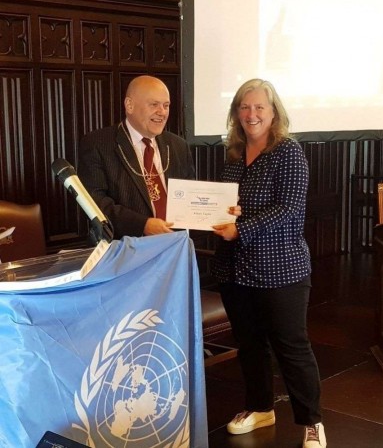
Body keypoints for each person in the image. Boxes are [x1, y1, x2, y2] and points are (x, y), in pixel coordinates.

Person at [212, 79, 326, 448]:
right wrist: (228, 214)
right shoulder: (233, 154)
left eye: (259, 107)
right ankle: (260, 408)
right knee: (249, 344)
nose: (252, 114)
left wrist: (240, 227)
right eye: (245, 107)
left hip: (281, 269)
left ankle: (312, 423)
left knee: (291, 346)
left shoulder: (288, 152)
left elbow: (289, 208)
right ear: (236, 113)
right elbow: (235, 203)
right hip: (235, 269)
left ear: (274, 112)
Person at [77, 75, 195, 239]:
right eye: (154, 104)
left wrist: (220, 209)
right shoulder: (98, 144)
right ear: (129, 105)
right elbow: (95, 201)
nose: (162, 112)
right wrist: (143, 225)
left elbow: (190, 194)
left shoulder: (178, 145)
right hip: (127, 249)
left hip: (175, 246)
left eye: (166, 105)